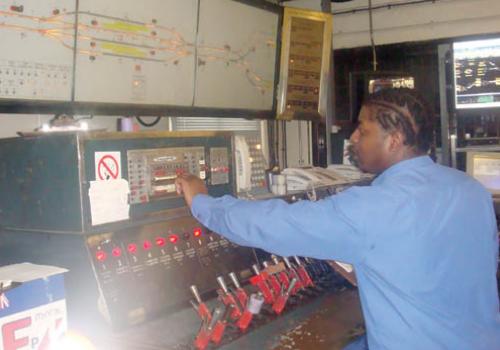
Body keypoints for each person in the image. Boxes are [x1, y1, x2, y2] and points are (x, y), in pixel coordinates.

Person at [175, 88, 500, 350]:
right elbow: (455, 268)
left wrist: (203, 202)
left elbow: (275, 224)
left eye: (363, 129)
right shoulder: (469, 189)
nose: (353, 139)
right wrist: (373, 274)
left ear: (394, 140)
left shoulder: (375, 206)